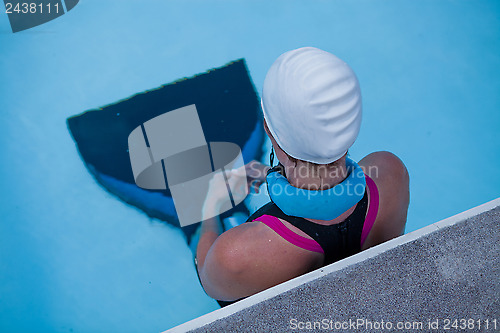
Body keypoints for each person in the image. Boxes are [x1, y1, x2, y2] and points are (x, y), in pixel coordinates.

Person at [195, 47, 410, 305]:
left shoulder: (233, 256)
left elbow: (208, 280)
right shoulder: (390, 172)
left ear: (269, 131)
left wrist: (209, 208)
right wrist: (272, 176)